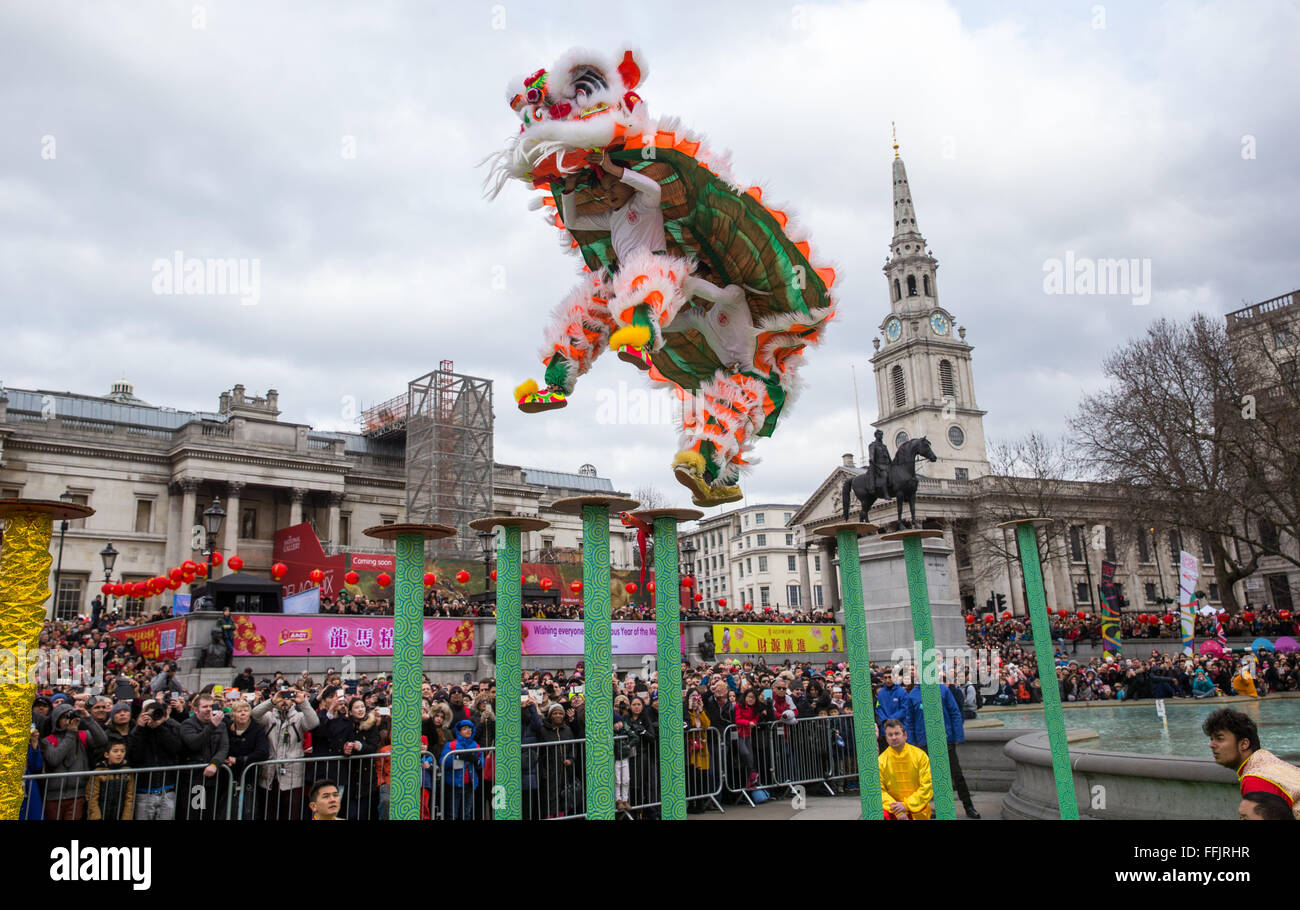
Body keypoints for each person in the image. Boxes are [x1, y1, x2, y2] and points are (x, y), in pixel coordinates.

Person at [902, 669, 980, 818]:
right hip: (924, 742)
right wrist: (912, 743)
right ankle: (934, 808)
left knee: (957, 775)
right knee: (928, 779)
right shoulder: (912, 695)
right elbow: (909, 721)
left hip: (945, 739)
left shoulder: (943, 690)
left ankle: (969, 806)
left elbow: (954, 712)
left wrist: (957, 735)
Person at [1203, 708, 1300, 818]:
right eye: (1211, 739)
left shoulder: (1254, 780)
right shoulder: (1267, 761)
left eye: (1219, 739)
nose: (1211, 744)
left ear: (1244, 744)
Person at [253, 687, 320, 820]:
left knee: (291, 814)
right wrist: (271, 701)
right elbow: (255, 714)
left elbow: (313, 723)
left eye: (288, 698)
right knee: (269, 814)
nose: (284, 701)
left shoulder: (299, 717)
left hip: (292, 777)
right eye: (281, 698)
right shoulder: (268, 717)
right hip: (269, 776)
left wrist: (303, 702)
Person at [40, 701, 108, 820]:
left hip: (77, 793)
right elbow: (54, 760)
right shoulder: (48, 740)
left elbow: (102, 740)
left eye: (70, 716)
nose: (68, 720)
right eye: (65, 717)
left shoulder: (82, 735)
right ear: (57, 720)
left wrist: (88, 718)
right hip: (53, 796)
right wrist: (71, 733)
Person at [127, 699, 183, 819]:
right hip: (144, 790)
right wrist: (141, 728)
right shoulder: (138, 731)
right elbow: (135, 756)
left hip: (167, 789)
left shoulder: (169, 728)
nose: (153, 717)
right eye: (150, 714)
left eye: (156, 714)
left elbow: (175, 748)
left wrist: (160, 727)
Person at [328, 696, 381, 820]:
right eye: (357, 707)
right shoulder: (346, 725)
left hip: (366, 775)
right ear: (350, 711)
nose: (360, 709)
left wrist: (361, 746)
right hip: (349, 774)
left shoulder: (371, 725)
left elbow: (373, 746)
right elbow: (338, 742)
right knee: (351, 812)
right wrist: (346, 747)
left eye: (362, 707)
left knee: (364, 812)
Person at [179, 693, 229, 820]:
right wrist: (212, 726)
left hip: (215, 778)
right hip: (195, 779)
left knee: (212, 813)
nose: (209, 709)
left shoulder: (221, 725)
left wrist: (214, 764)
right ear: (196, 710)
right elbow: (194, 743)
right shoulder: (187, 725)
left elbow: (224, 747)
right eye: (205, 706)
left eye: (211, 706)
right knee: (196, 813)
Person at [224, 698, 270, 819]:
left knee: (248, 810)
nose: (243, 713)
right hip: (228, 775)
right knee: (228, 809)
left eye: (246, 710)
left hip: (249, 775)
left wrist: (239, 760)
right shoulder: (226, 728)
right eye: (239, 711)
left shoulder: (257, 729)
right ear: (233, 715)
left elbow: (263, 752)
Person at [878, 719, 932, 820]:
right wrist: (898, 811)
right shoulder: (881, 761)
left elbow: (927, 785)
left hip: (916, 806)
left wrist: (906, 805)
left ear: (905, 735)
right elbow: (879, 791)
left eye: (897, 733)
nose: (894, 737)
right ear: (886, 738)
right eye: (890, 735)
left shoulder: (920, 756)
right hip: (892, 809)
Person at [440, 718, 484, 820]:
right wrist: (456, 757)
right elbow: (443, 761)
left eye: (470, 728)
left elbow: (481, 763)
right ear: (459, 731)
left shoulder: (476, 745)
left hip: (470, 784)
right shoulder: (451, 745)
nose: (468, 730)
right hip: (454, 785)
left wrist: (476, 760)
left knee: (467, 814)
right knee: (452, 814)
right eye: (464, 728)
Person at [85, 741, 135, 821]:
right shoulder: (98, 771)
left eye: (122, 751)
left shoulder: (127, 771)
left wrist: (126, 817)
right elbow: (92, 796)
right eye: (115, 751)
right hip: (101, 813)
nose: (119, 754)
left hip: (120, 813)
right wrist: (96, 817)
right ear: (106, 755)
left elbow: (130, 797)